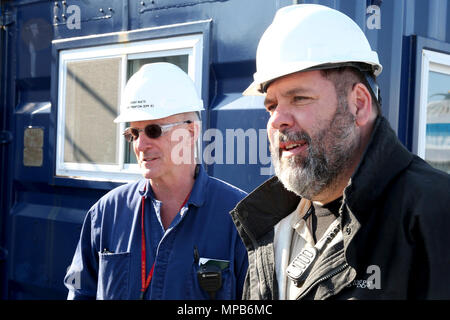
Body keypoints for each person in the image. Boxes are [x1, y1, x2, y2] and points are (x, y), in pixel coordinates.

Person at [231, 4, 450, 299]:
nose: (276, 119)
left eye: (299, 98)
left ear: (358, 104)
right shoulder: (273, 225)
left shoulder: (433, 213)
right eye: (271, 105)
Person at [64, 62, 248, 300]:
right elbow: (81, 292)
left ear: (190, 133)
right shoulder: (105, 214)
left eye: (153, 130)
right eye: (133, 133)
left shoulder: (240, 217)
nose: (140, 145)